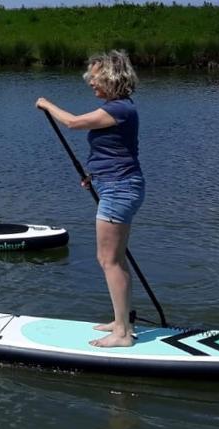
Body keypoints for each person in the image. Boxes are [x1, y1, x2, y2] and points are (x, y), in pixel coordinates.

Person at [36, 50, 144, 348]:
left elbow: (73, 123)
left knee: (108, 260)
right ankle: (122, 321)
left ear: (112, 79)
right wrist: (93, 176)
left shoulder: (120, 109)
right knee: (115, 259)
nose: (91, 85)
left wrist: (46, 104)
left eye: (95, 79)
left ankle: (122, 334)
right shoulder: (118, 108)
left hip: (120, 189)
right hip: (116, 185)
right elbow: (114, 151)